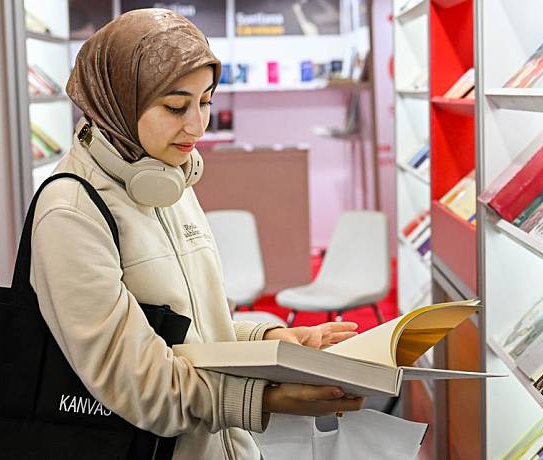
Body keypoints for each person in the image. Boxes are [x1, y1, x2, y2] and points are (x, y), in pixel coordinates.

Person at [30, 8, 363, 460]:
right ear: (117, 101)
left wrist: (266, 342)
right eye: (174, 106)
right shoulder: (71, 212)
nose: (197, 125)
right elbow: (141, 384)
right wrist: (262, 398)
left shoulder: (167, 178)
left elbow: (191, 334)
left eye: (205, 101)